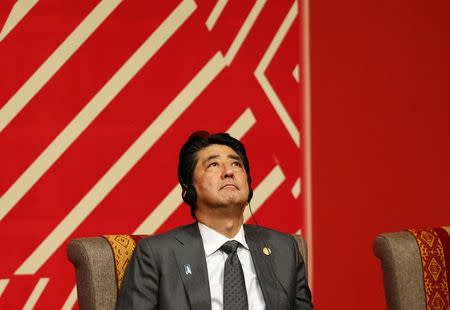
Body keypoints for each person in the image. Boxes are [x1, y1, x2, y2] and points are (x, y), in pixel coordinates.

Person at [116, 131, 313, 309]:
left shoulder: (284, 249)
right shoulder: (157, 254)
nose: (229, 172)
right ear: (189, 189)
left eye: (236, 164)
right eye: (213, 164)